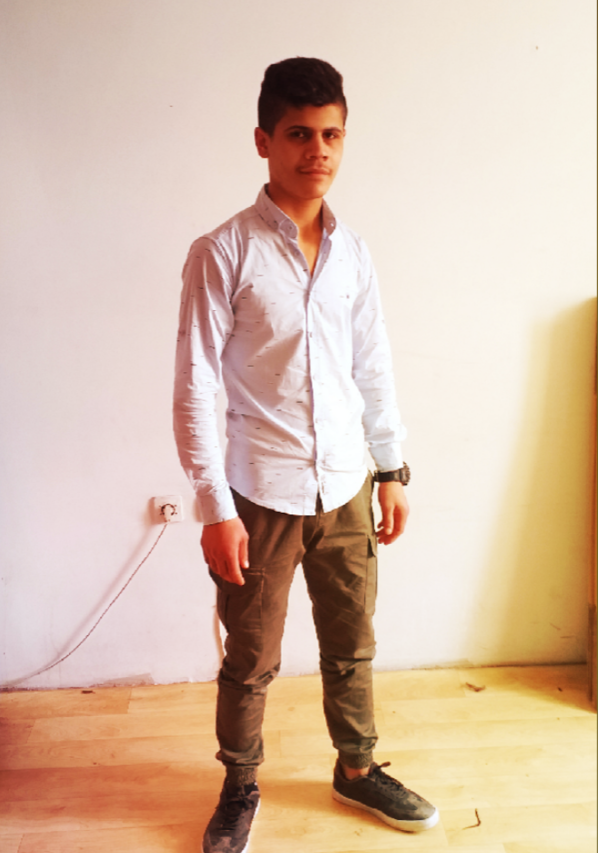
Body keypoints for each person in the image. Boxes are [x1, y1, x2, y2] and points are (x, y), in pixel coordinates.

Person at [173, 57, 439, 853]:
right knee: (251, 658)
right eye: (298, 134)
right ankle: (239, 784)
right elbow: (195, 384)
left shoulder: (353, 253)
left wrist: (390, 468)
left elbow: (373, 365)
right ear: (263, 141)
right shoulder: (223, 252)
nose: (316, 150)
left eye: (330, 135)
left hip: (347, 484)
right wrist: (214, 507)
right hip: (259, 492)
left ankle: (356, 767)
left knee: (352, 642)